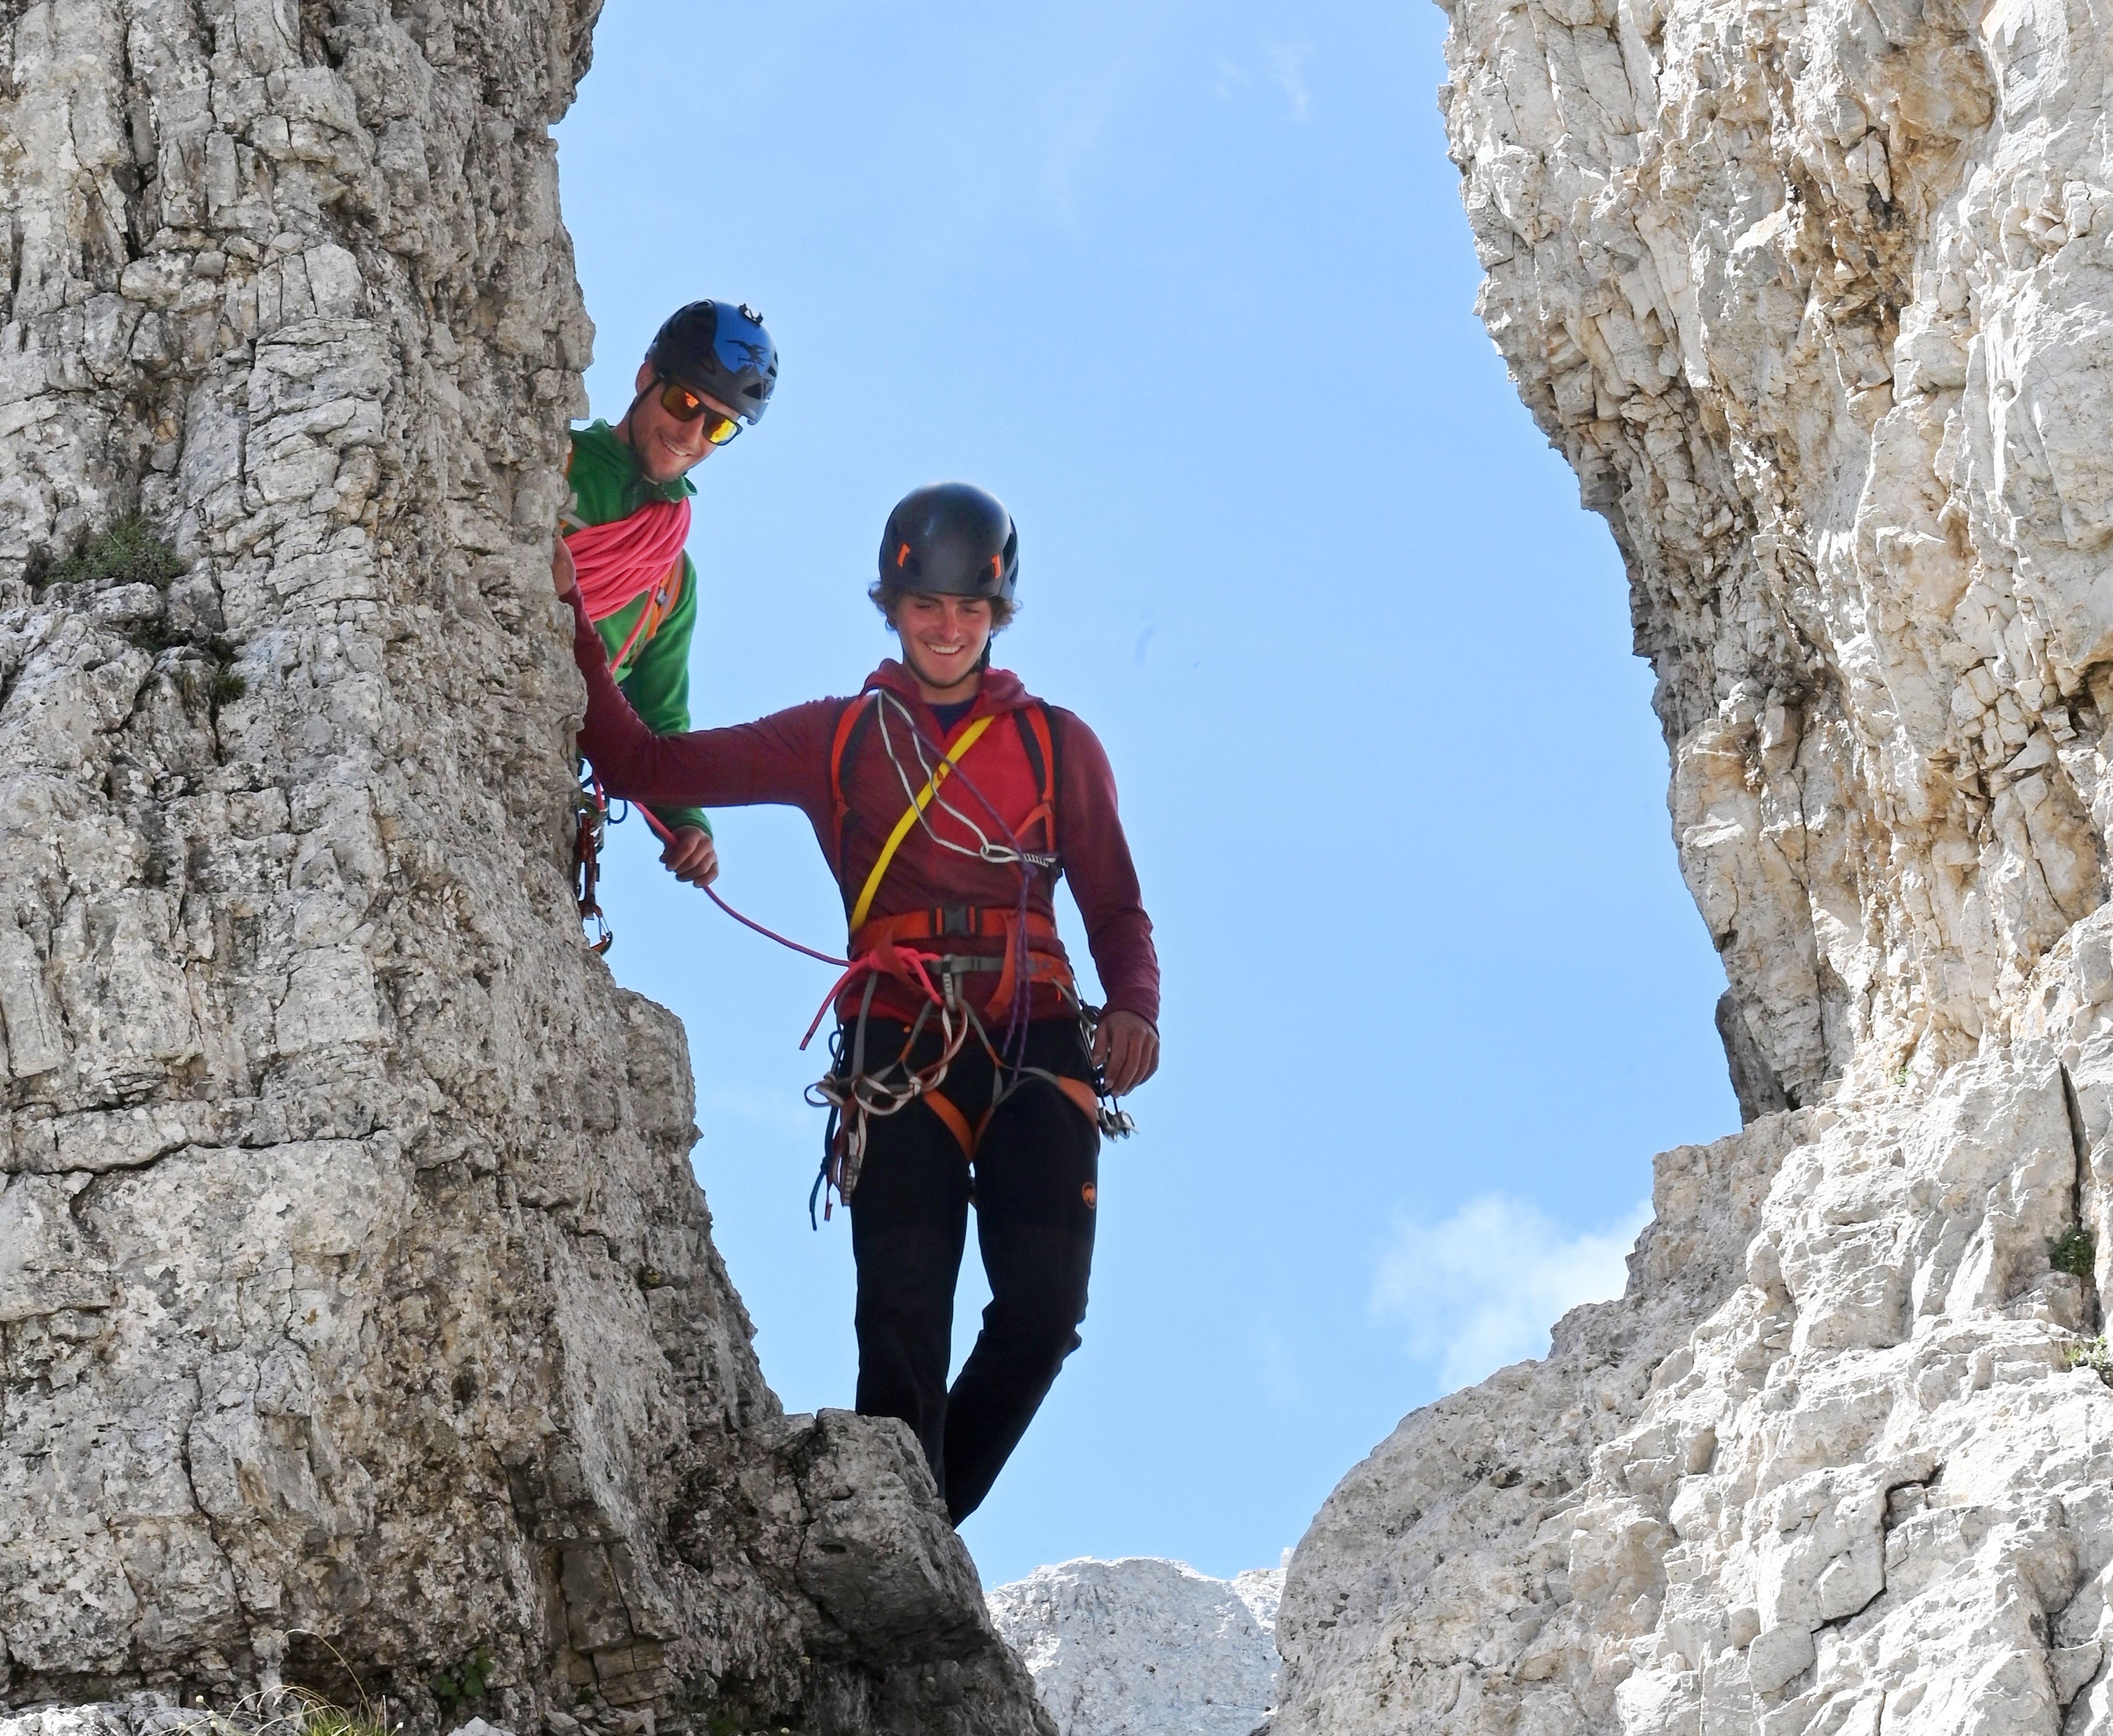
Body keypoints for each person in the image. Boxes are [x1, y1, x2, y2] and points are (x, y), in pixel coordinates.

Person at [551, 481, 1160, 1524]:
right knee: (901, 1313)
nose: (947, 627)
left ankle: (916, 1527)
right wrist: (570, 617)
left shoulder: (1060, 744)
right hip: (900, 1034)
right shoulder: (837, 739)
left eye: (970, 610)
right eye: (927, 606)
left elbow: (1113, 901)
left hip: (1040, 1029)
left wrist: (1136, 1005)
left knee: (1046, 1313)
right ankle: (898, 1537)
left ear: (996, 614)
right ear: (893, 605)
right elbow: (641, 762)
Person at [558, 299, 779, 890]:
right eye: (685, 403)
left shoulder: (671, 580)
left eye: (720, 425)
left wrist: (686, 819)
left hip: (542, 761)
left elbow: (658, 713)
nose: (692, 434)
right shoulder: (553, 461)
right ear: (644, 378)